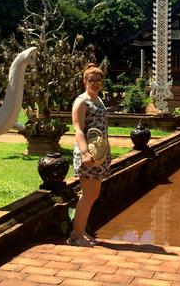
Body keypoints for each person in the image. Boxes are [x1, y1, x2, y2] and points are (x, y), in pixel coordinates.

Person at [67, 63, 111, 247]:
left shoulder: (98, 100)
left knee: (92, 194)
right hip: (87, 153)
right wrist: (85, 153)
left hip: (99, 153)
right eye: (91, 80)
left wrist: (106, 151)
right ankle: (75, 236)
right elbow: (78, 130)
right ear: (84, 81)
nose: (95, 83)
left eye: (98, 80)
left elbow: (102, 129)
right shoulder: (81, 101)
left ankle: (81, 232)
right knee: (88, 194)